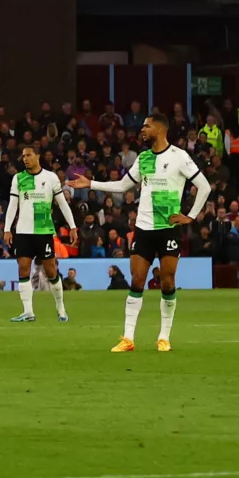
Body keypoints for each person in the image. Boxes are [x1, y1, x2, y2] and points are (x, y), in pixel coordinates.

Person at [74, 109, 211, 354]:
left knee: (167, 281)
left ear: (159, 129)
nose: (143, 130)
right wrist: (91, 183)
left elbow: (204, 187)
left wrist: (190, 216)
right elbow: (124, 185)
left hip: (168, 228)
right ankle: (128, 338)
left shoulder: (179, 157)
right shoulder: (144, 158)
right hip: (144, 228)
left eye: (146, 126)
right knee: (137, 280)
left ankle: (164, 337)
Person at [2, 143, 75, 324]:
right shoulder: (18, 178)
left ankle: (61, 308)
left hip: (43, 231)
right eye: (23, 156)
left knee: (51, 271)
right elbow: (12, 205)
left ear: (37, 156)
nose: (25, 159)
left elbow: (62, 203)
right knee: (23, 268)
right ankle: (28, 311)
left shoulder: (50, 178)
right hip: (23, 232)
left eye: (28, 155)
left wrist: (72, 226)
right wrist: (7, 229)